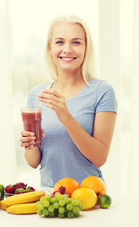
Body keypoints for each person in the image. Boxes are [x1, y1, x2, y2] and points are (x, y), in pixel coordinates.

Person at [20, 15, 117, 188]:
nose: (67, 49)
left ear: (86, 48)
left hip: (90, 198)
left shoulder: (102, 91)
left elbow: (99, 158)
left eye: (76, 42)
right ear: (50, 48)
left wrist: (66, 117)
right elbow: (34, 162)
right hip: (50, 198)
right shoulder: (37, 95)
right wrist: (29, 146)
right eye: (59, 42)